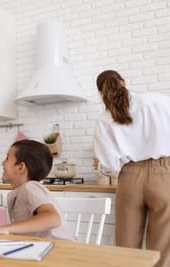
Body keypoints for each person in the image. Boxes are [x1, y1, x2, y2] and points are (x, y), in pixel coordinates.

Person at [93, 70, 170, 267]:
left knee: (126, 247)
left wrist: (100, 167)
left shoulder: (104, 119)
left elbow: (110, 166)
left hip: (129, 178)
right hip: (164, 174)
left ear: (101, 94)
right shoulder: (158, 101)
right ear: (123, 82)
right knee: (162, 247)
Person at [0, 139, 75, 240]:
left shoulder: (30, 187)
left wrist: (6, 229)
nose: (2, 163)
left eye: (7, 158)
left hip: (60, 249)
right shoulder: (24, 190)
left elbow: (52, 218)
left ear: (20, 167)